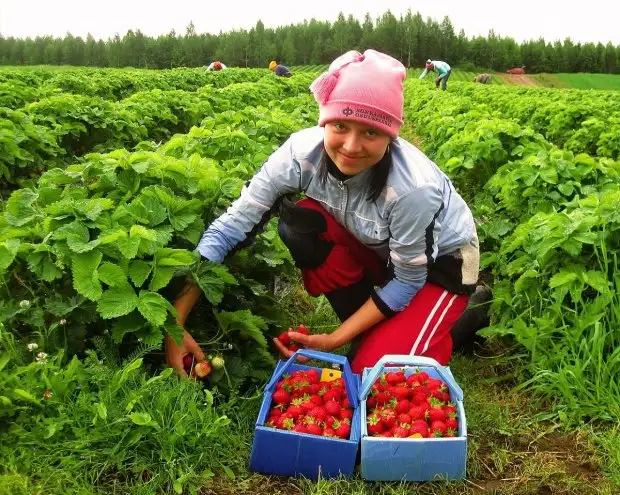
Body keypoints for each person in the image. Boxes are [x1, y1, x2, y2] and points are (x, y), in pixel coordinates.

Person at [165, 49, 483, 377]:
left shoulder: (413, 190)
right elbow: (233, 226)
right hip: (384, 248)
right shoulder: (301, 154)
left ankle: (462, 314)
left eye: (371, 132)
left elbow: (407, 281)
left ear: (391, 135)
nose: (351, 145)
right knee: (300, 226)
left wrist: (332, 340)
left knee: (372, 373)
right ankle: (370, 332)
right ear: (325, 120)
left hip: (441, 267)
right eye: (340, 125)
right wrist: (175, 324)